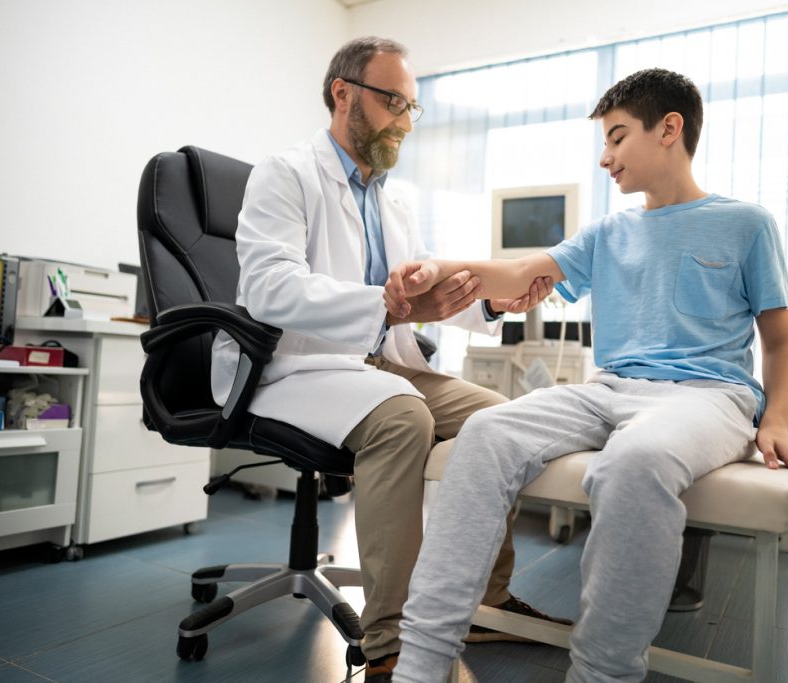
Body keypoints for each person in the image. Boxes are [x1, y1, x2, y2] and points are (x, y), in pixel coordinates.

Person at [384, 68, 788, 682]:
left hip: (708, 395)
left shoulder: (746, 223)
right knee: (483, 433)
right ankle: (422, 664)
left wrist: (777, 421)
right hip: (609, 388)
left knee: (633, 462)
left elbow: (782, 342)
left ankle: (601, 674)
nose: (604, 158)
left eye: (616, 138)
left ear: (669, 129)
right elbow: (522, 271)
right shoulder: (609, 233)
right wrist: (440, 267)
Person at [210, 36, 569, 683]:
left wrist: (492, 302)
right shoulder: (286, 174)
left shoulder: (392, 201)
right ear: (342, 92)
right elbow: (268, 288)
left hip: (381, 362)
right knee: (403, 418)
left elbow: (419, 299)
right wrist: (386, 306)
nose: (404, 119)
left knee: (507, 420)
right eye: (392, 101)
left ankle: (488, 600)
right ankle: (392, 644)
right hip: (296, 365)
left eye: (411, 107)